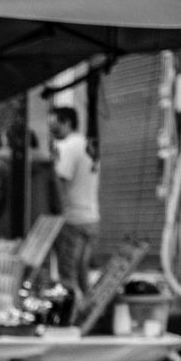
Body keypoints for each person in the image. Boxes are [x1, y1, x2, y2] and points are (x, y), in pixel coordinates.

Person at [49, 105, 99, 296]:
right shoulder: (88, 144)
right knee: (82, 273)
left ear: (67, 123)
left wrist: (60, 213)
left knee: (68, 276)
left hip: (73, 219)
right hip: (92, 217)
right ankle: (87, 308)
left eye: (55, 127)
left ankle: (73, 311)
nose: (52, 133)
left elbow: (61, 182)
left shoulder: (67, 147)